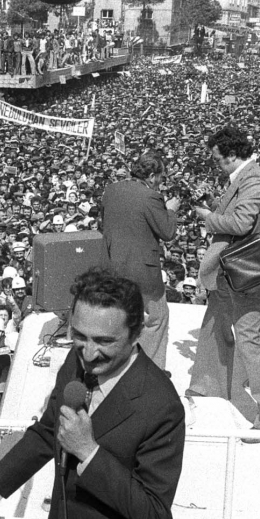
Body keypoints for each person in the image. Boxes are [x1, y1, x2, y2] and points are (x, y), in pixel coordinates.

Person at [0, 267, 185, 519]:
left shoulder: (160, 405)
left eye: (104, 341)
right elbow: (47, 433)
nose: (88, 353)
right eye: (79, 335)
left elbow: (155, 514)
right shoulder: (74, 362)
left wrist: (89, 453)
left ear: (136, 333)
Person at [187, 125, 260, 434]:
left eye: (216, 158)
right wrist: (214, 202)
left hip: (245, 272)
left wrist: (205, 215)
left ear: (231, 155)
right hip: (229, 270)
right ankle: (205, 384)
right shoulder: (242, 177)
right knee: (213, 322)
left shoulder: (253, 178)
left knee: (248, 337)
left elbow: (241, 223)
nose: (214, 163)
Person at [100, 151, 180, 369]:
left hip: (114, 265)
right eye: (161, 179)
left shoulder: (112, 190)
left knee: (122, 319)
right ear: (152, 176)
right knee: (158, 317)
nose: (161, 185)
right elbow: (167, 232)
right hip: (142, 271)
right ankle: (149, 369)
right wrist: (171, 210)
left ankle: (119, 365)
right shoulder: (151, 197)